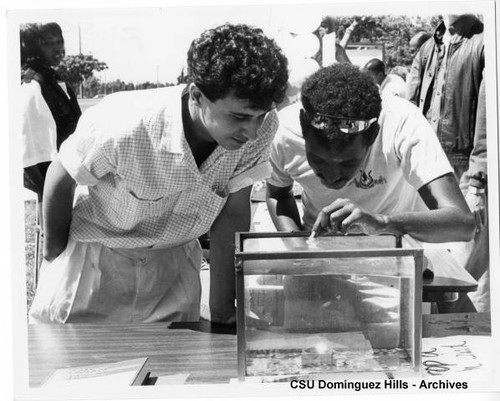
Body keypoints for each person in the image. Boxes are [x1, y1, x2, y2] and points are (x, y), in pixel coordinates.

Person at [29, 23, 289, 324]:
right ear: (196, 96)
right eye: (240, 116)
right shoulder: (124, 123)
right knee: (77, 365)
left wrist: (222, 312)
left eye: (262, 115)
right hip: (94, 265)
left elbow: (232, 215)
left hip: (174, 267)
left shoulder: (262, 127)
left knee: (175, 367)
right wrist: (55, 258)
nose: (254, 132)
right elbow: (61, 176)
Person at [266, 63, 474, 245]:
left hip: (395, 257)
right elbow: (278, 194)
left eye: (348, 163)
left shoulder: (402, 122)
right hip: (318, 253)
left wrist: (383, 223)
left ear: (374, 134)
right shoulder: (282, 130)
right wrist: (297, 246)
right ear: (302, 129)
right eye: (318, 160)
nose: (332, 176)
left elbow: (462, 224)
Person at [406, 14, 488, 311]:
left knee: (464, 277)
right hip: (427, 172)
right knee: (431, 272)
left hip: (466, 171)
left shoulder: (484, 42)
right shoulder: (430, 46)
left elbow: (488, 119)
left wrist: (478, 184)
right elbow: (409, 110)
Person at [20, 22, 82, 202]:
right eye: (48, 43)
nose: (57, 48)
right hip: (50, 184)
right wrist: (47, 193)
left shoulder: (52, 79)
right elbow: (27, 154)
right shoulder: (32, 84)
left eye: (59, 41)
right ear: (33, 48)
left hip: (64, 177)